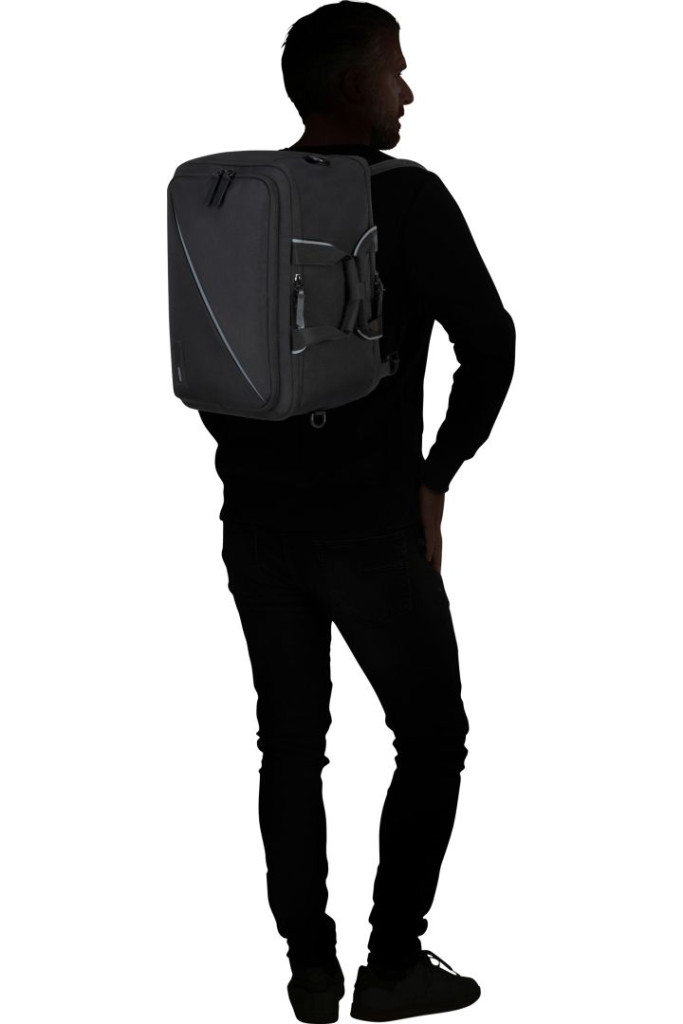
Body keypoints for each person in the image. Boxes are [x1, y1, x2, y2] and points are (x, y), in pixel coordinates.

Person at [199, 3, 515, 1020]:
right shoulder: (403, 195)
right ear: (351, 87)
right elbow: (490, 344)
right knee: (431, 734)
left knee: (289, 744)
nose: (407, 92)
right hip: (370, 527)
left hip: (254, 525)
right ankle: (391, 964)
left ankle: (308, 967)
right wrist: (436, 475)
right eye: (395, 71)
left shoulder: (240, 195)